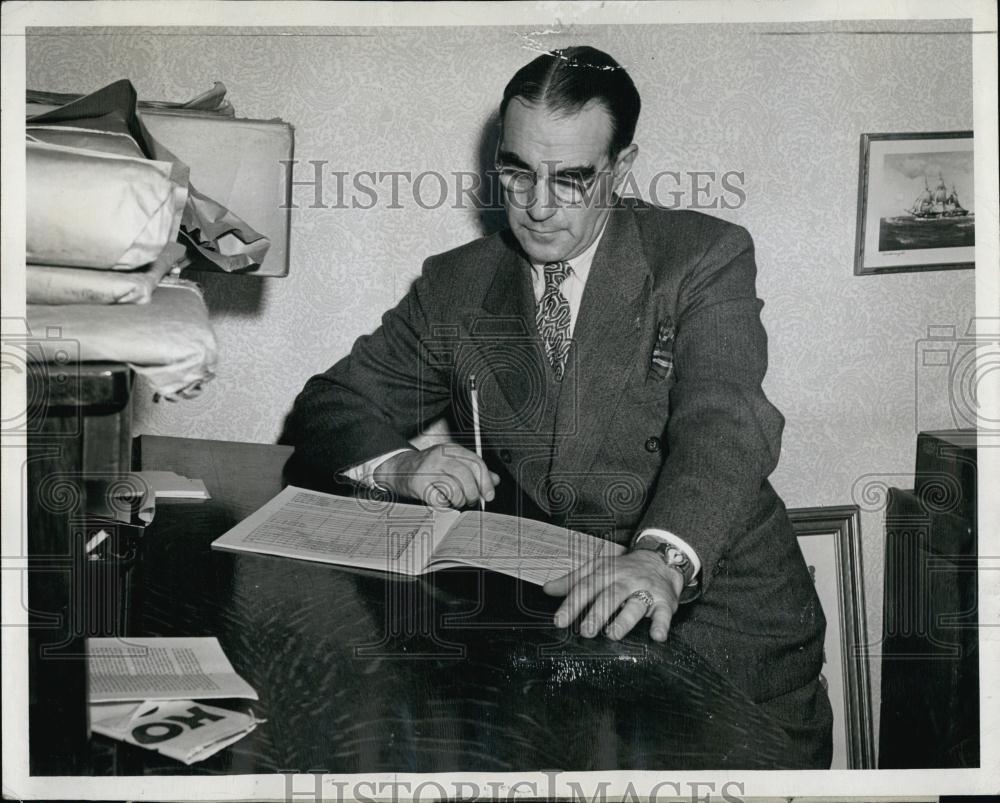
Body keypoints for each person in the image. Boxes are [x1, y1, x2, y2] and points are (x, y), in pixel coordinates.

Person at [289, 45, 833, 767]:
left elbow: (725, 423)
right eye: (517, 172)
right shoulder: (457, 286)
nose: (539, 207)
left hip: (722, 627)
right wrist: (400, 467)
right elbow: (331, 403)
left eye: (572, 178)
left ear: (621, 167)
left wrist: (662, 558)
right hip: (567, 631)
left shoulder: (701, 256)